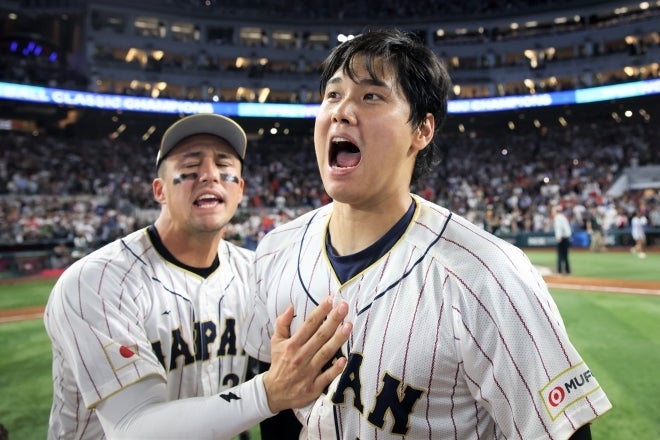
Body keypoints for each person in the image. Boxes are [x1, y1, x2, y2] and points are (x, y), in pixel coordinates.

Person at [243, 28, 611, 439]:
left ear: (422, 130)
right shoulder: (276, 250)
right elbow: (275, 406)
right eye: (333, 95)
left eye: (371, 96)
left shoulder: (488, 276)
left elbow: (563, 432)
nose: (341, 111)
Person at [44, 113, 351, 440]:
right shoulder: (97, 281)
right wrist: (268, 393)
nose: (209, 175)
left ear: (241, 190)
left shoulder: (256, 273)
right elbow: (132, 429)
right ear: (159, 190)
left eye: (224, 166)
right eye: (190, 167)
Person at [553, 205, 573, 275]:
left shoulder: (557, 218)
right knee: (565, 255)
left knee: (560, 255)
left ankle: (560, 271)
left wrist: (558, 237)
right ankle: (568, 270)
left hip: (562, 238)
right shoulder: (563, 217)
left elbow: (559, 228)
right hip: (567, 238)